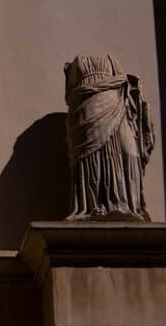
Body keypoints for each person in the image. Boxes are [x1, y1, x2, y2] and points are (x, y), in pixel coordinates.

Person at [63, 54, 154, 221]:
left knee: (129, 153)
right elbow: (70, 94)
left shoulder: (112, 59)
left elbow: (121, 80)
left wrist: (132, 85)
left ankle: (127, 205)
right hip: (87, 104)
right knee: (91, 157)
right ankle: (93, 205)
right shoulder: (76, 63)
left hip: (114, 102)